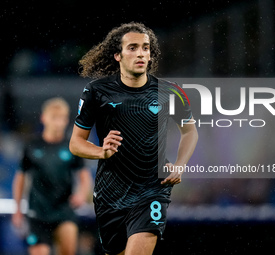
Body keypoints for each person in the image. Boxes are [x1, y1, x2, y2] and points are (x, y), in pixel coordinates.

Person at [69, 22, 198, 255]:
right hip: (110, 194)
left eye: (146, 48)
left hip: (152, 190)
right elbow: (76, 143)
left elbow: (190, 131)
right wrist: (101, 151)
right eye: (133, 47)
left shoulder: (171, 92)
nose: (141, 53)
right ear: (117, 55)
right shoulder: (96, 92)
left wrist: (180, 165)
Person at [12, 97, 92, 255]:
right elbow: (20, 177)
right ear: (44, 118)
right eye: (54, 117)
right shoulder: (32, 146)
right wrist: (18, 209)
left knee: (68, 251)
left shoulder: (72, 147)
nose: (58, 122)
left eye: (62, 118)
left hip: (64, 210)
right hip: (38, 212)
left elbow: (84, 175)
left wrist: (82, 194)